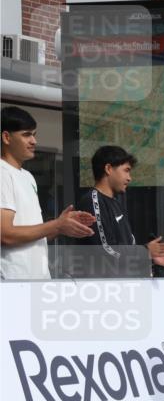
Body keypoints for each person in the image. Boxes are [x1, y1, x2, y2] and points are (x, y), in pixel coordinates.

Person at [1, 105, 95, 279]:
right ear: (6, 137)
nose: (34, 141)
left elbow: (35, 234)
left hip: (38, 281)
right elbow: (5, 234)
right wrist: (56, 225)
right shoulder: (2, 173)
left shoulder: (27, 176)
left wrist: (63, 225)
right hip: (13, 283)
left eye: (34, 135)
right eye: (26, 134)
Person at [68, 145, 164, 278]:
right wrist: (145, 252)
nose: (129, 178)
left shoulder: (115, 202)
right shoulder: (92, 201)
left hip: (122, 288)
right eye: (126, 170)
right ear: (108, 169)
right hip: (102, 291)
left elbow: (127, 246)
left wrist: (149, 258)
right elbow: (106, 250)